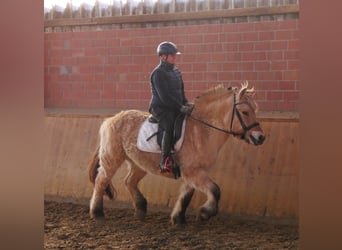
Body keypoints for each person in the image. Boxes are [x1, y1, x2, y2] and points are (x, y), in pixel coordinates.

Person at [148, 41, 193, 173]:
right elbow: (165, 97)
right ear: (163, 57)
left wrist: (186, 104)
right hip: (160, 107)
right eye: (172, 55)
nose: (175, 57)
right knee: (169, 124)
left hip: (175, 106)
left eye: (175, 55)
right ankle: (165, 160)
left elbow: (181, 91)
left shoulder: (176, 72)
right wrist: (180, 107)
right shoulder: (157, 74)